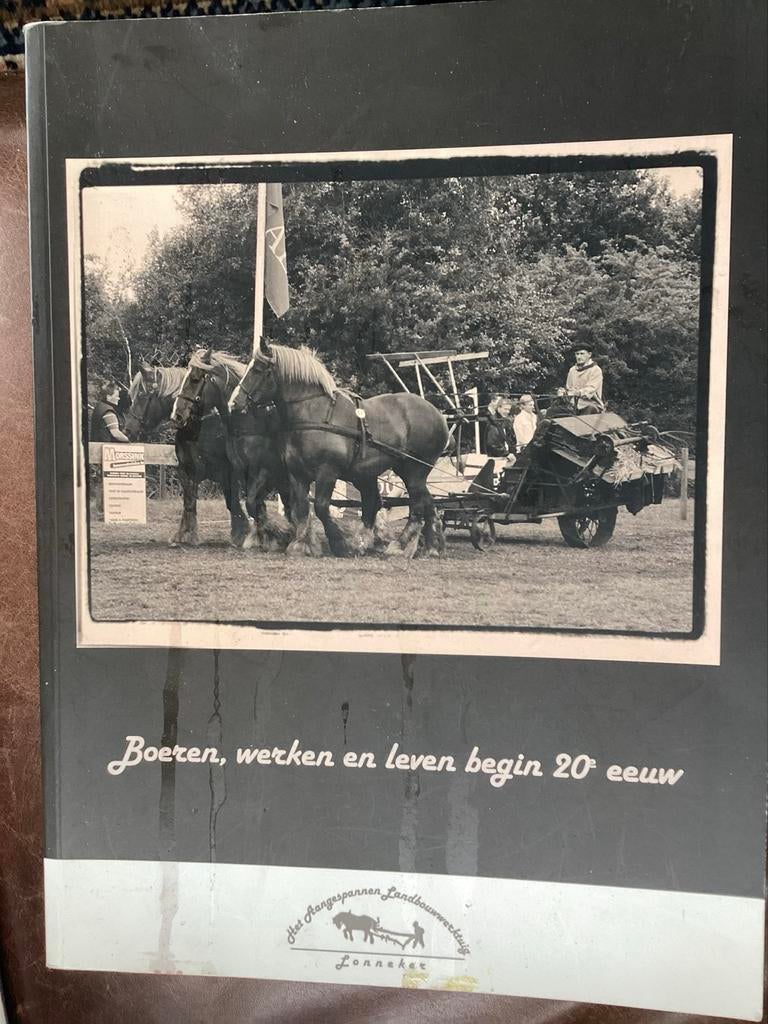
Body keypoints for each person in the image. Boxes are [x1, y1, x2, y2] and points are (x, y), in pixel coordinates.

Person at [565, 347, 604, 413]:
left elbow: (591, 388)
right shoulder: (572, 370)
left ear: (589, 354)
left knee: (588, 412)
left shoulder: (595, 370)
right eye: (577, 354)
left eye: (582, 354)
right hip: (573, 403)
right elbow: (569, 387)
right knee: (553, 411)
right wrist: (564, 392)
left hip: (591, 403)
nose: (579, 357)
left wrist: (579, 392)